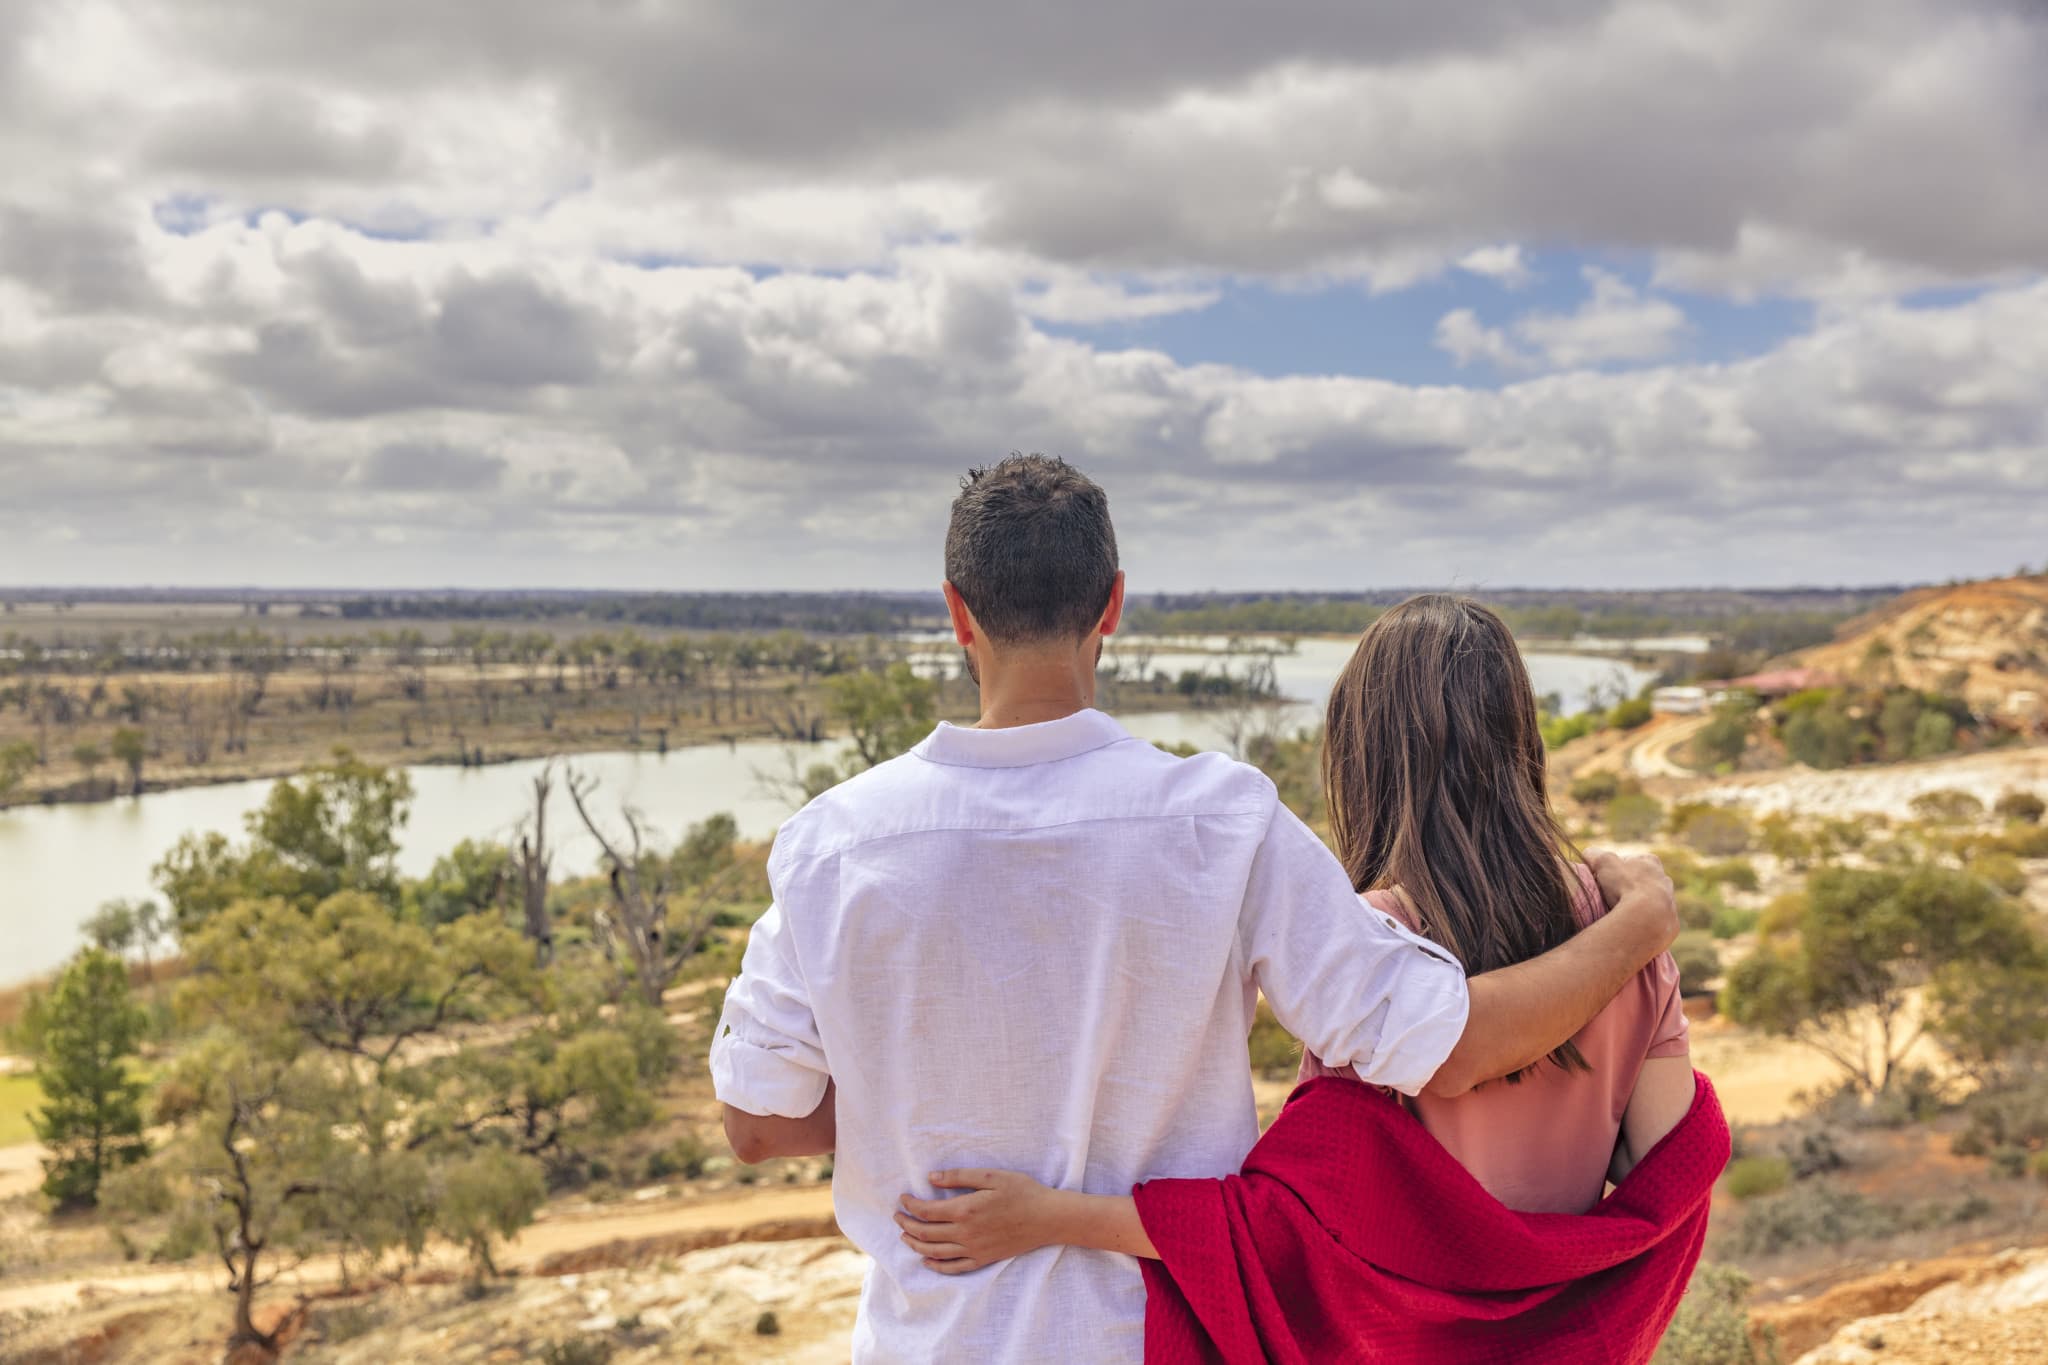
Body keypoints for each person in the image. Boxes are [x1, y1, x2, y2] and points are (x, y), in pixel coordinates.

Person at [711, 457, 1679, 1364]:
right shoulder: (1221, 822)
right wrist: (1637, 926)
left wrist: (924, 1094)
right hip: (1161, 1334)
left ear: (957, 614)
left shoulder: (831, 845)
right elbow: (1446, 1045)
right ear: (1113, 605)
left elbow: (757, 1124)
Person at [893, 596, 1713, 1362]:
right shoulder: (1628, 939)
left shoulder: (1370, 946)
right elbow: (1667, 1193)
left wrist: (1048, 1218)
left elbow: (1281, 1235)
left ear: (1365, 751)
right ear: (1521, 737)